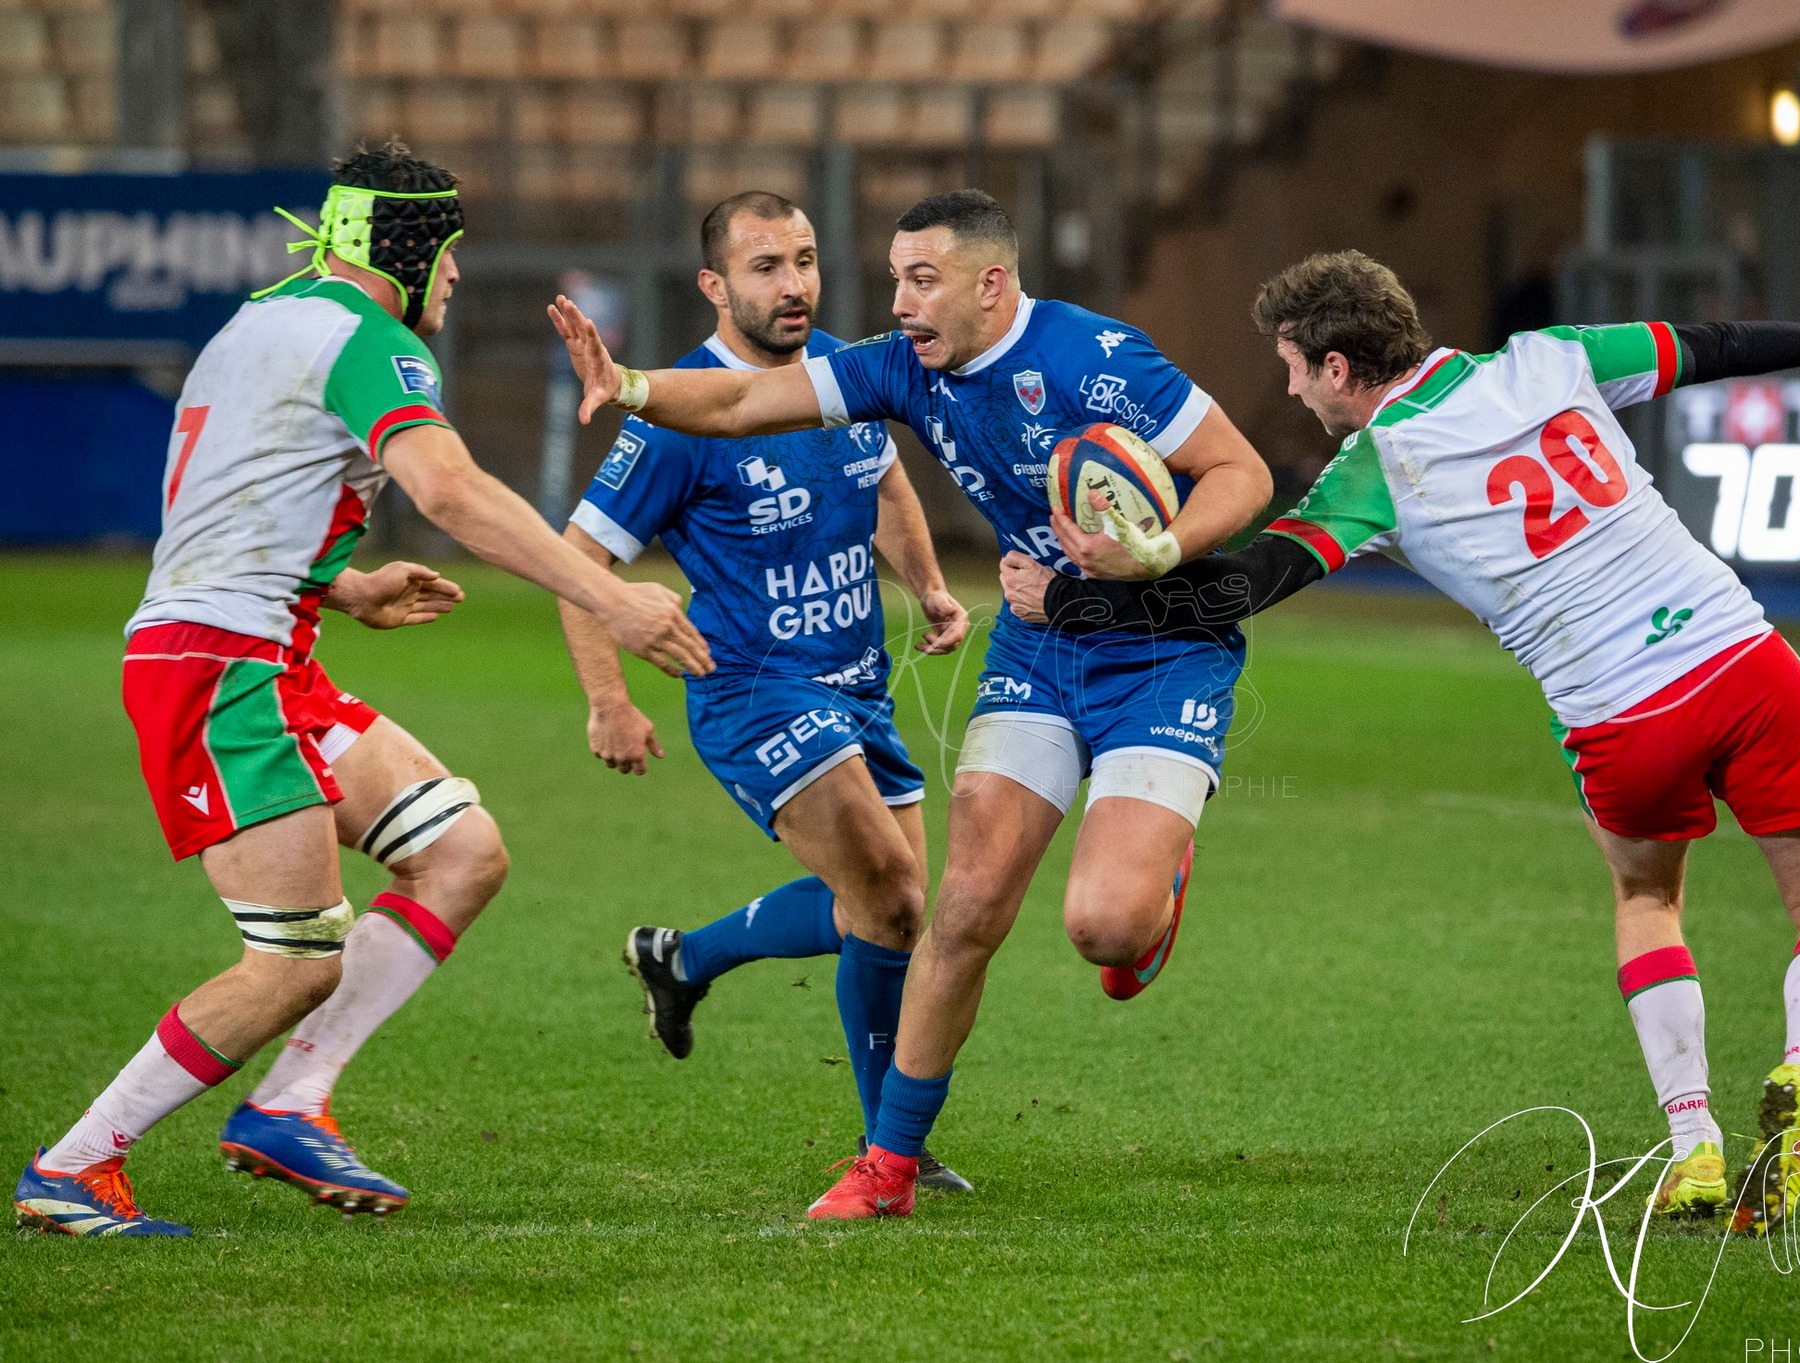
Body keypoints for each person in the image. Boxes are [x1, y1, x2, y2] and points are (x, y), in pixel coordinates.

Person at [1001, 250, 1800, 1235]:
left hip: (1616, 720)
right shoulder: (1553, 358)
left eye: (1293, 367)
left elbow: (1242, 587)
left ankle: (1694, 1148)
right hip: (1739, 663)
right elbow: (1716, 344)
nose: (1290, 388)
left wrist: (1081, 595)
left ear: (1337, 367)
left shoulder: (1375, 470)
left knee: (1647, 900)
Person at [13, 140, 702, 1237]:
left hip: (262, 651)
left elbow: (224, 501)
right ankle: (74, 1165)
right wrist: (611, 600)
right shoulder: (372, 342)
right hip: (222, 668)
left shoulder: (261, 320)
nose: (458, 274)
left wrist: (343, 583)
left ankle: (287, 1103)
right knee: (296, 961)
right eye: (451, 250)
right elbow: (452, 491)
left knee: (462, 850)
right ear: (408, 252)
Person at [548, 190, 1273, 1221]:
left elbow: (1241, 472)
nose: (896, 303)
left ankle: (1149, 892)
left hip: (1163, 653)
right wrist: (627, 384)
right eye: (893, 279)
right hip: (1021, 645)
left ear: (991, 284)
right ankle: (888, 1162)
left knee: (1100, 926)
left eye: (920, 280)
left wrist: (1153, 551)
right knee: (954, 905)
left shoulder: (1095, 357)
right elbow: (739, 402)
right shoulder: (898, 367)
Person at [556, 191, 972, 1191]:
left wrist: (925, 584)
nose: (794, 285)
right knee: (890, 893)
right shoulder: (679, 413)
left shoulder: (842, 373)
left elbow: (885, 482)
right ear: (714, 285)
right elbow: (577, 557)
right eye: (765, 266)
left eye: (805, 260)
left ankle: (684, 959)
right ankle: (892, 1150)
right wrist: (608, 699)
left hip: (860, 684)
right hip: (752, 691)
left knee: (891, 916)